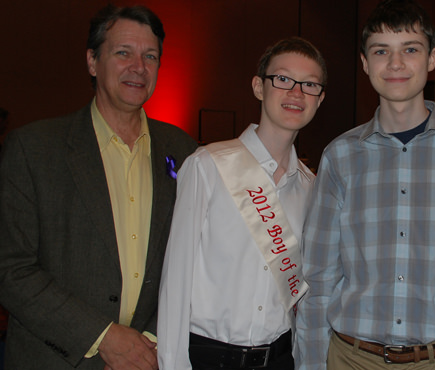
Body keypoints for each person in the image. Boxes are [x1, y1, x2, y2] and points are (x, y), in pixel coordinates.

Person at [295, 1, 435, 369]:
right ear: (365, 63)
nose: (396, 63)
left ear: (432, 58)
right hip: (352, 358)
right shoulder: (340, 156)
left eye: (410, 49)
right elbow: (318, 277)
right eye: (381, 51)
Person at [0, 5, 197, 370]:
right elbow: (11, 270)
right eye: (123, 52)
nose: (138, 66)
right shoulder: (34, 150)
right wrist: (103, 336)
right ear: (92, 61)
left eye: (150, 56)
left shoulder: (186, 153)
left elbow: (195, 260)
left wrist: (148, 343)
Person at [157, 37, 326, 370]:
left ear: (320, 100)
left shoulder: (314, 188)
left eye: (309, 85)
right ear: (258, 87)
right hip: (207, 357)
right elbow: (174, 282)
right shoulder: (208, 165)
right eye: (282, 79)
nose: (296, 92)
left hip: (280, 358)